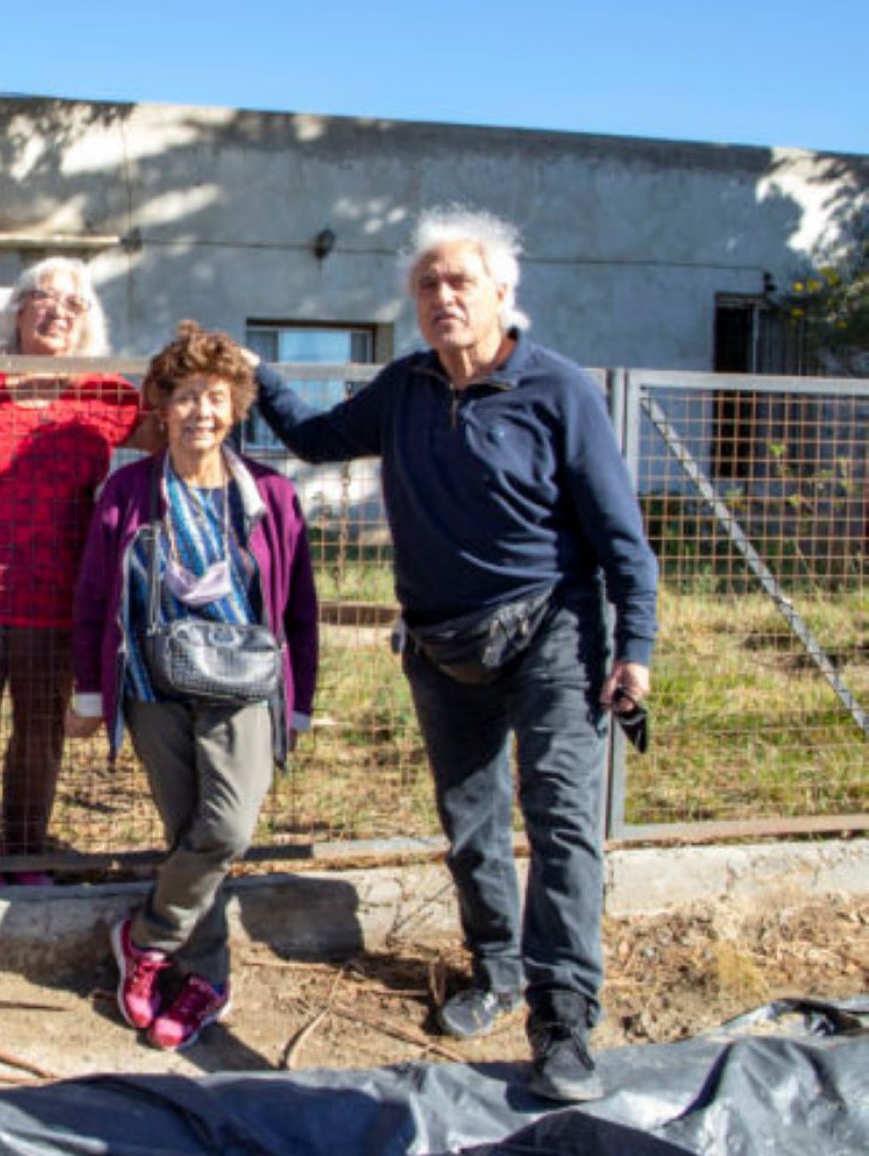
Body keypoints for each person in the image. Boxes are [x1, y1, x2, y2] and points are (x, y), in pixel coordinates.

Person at [251, 206, 658, 1103]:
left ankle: (562, 1021)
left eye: (459, 282)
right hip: (439, 643)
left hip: (552, 630)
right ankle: (497, 969)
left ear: (503, 294)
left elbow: (622, 534)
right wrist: (259, 374)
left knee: (559, 824)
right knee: (470, 823)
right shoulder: (404, 389)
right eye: (427, 284)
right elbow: (319, 441)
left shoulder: (559, 391)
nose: (441, 297)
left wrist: (637, 644)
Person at [69, 322, 318, 1051]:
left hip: (243, 688)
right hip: (152, 687)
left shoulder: (268, 494)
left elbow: (299, 605)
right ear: (162, 407)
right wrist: (91, 691)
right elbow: (91, 596)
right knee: (188, 836)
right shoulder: (128, 492)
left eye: (215, 397)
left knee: (226, 829)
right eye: (185, 397)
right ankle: (204, 978)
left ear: (237, 406)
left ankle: (146, 939)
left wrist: (299, 703)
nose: (200, 413)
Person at [0, 257, 151, 883]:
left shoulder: (109, 393)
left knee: (38, 737)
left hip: (59, 599)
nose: (56, 309)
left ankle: (28, 849)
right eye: (41, 296)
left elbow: (173, 436)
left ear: (88, 321)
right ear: (16, 310)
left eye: (74, 302)